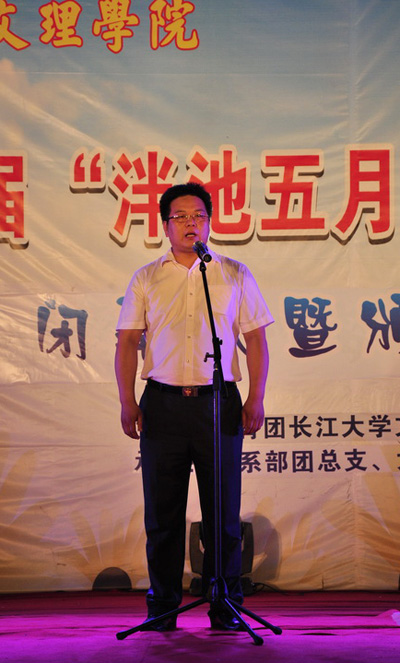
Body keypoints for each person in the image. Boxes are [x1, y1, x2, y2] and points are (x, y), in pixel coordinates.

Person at [115, 182, 274, 631]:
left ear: (210, 223)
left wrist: (256, 397)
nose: (191, 224)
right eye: (181, 217)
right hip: (163, 405)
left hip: (217, 405)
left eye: (199, 216)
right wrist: (127, 400)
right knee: (162, 514)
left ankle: (226, 605)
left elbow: (256, 339)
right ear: (165, 225)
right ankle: (163, 608)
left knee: (222, 515)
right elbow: (127, 341)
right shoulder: (146, 277)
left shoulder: (233, 273)